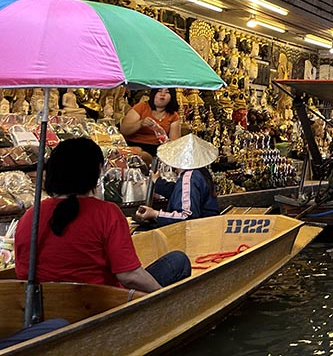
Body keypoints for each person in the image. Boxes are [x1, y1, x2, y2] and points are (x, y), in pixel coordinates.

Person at [15, 138, 191, 290]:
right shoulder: (107, 213)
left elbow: (22, 273)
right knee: (178, 261)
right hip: (105, 305)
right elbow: (129, 276)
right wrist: (162, 296)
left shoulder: (30, 216)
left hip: (47, 308)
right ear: (96, 173)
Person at [135, 134, 220, 226]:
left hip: (198, 230)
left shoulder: (189, 177)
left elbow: (186, 216)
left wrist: (155, 214)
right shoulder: (200, 171)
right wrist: (158, 181)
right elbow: (179, 192)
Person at [119, 88, 182, 159]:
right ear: (153, 94)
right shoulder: (141, 107)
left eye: (167, 92)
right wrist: (140, 123)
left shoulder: (173, 116)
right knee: (141, 154)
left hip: (158, 149)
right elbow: (124, 130)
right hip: (134, 145)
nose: (163, 94)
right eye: (159, 91)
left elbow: (174, 142)